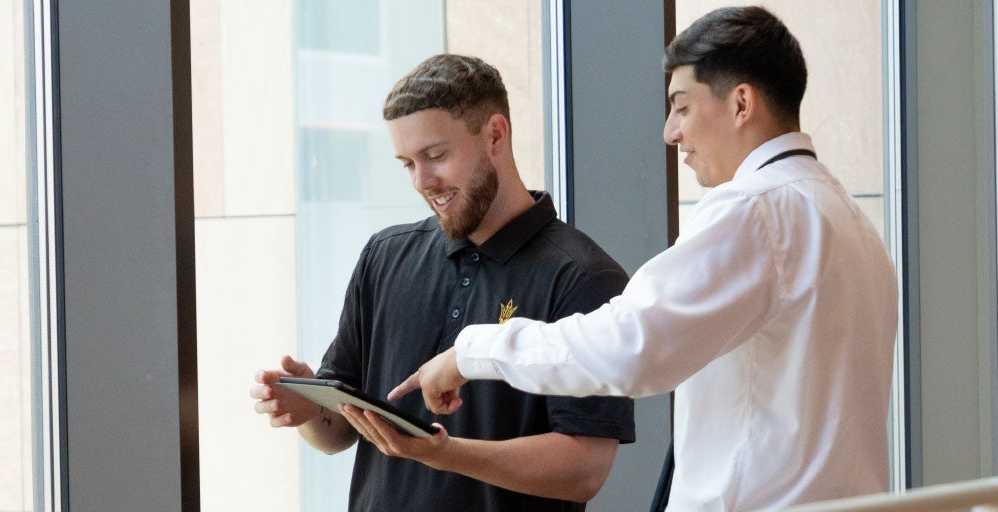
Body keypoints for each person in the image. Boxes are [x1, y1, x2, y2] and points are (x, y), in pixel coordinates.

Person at [392, 7, 899, 510]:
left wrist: (471, 353)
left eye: (681, 106)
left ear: (742, 103)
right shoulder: (850, 220)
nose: (670, 132)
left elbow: (628, 345)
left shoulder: (755, 210)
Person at [248, 54, 636, 512]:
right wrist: (310, 410)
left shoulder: (583, 277)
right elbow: (340, 434)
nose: (422, 181)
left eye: (435, 156)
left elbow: (584, 470)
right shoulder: (384, 256)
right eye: (407, 163)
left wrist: (446, 455)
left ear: (495, 135)